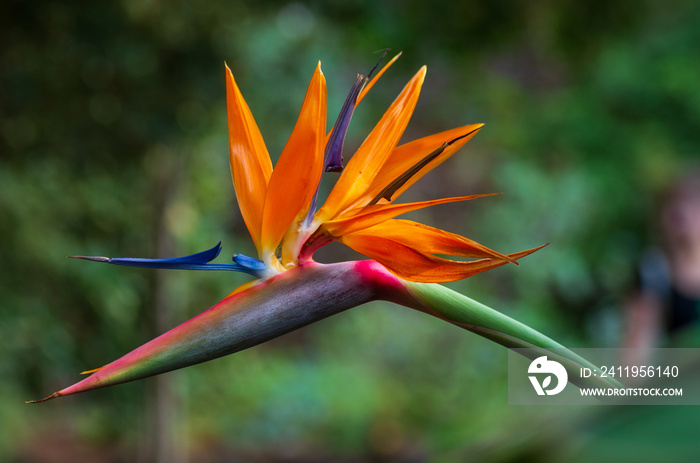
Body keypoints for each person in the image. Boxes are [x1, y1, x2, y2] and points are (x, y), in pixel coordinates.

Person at [624, 171, 700, 351]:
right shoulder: (654, 269)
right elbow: (638, 343)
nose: (682, 213)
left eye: (692, 204)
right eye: (674, 206)